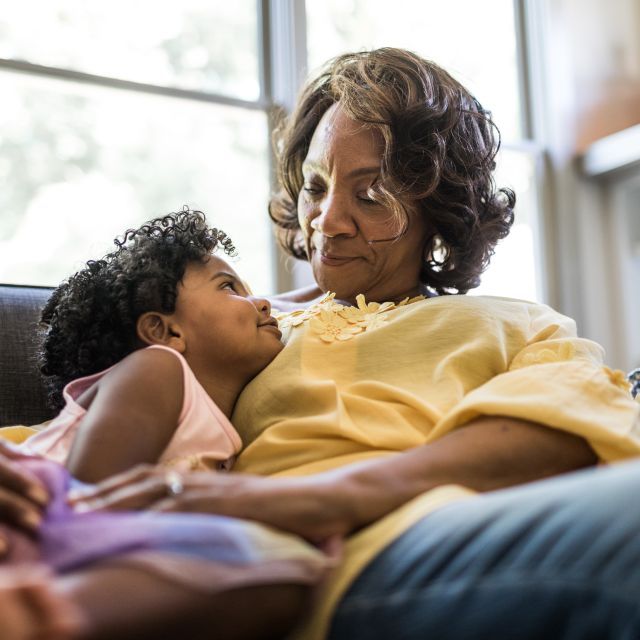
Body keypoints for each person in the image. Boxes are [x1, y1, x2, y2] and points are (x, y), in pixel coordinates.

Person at [2, 47, 640, 639]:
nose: (326, 223)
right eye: (313, 187)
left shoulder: (516, 323)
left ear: (436, 208)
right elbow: (75, 441)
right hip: (258, 565)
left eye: (370, 193)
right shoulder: (236, 330)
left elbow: (569, 431)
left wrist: (314, 498)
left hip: (406, 534)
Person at [0, 210, 331, 640]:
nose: (264, 303)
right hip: (38, 516)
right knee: (276, 572)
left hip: (67, 550)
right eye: (229, 287)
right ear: (165, 331)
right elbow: (94, 494)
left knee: (283, 579)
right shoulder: (159, 369)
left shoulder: (215, 418)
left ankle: (42, 615)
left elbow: (304, 300)